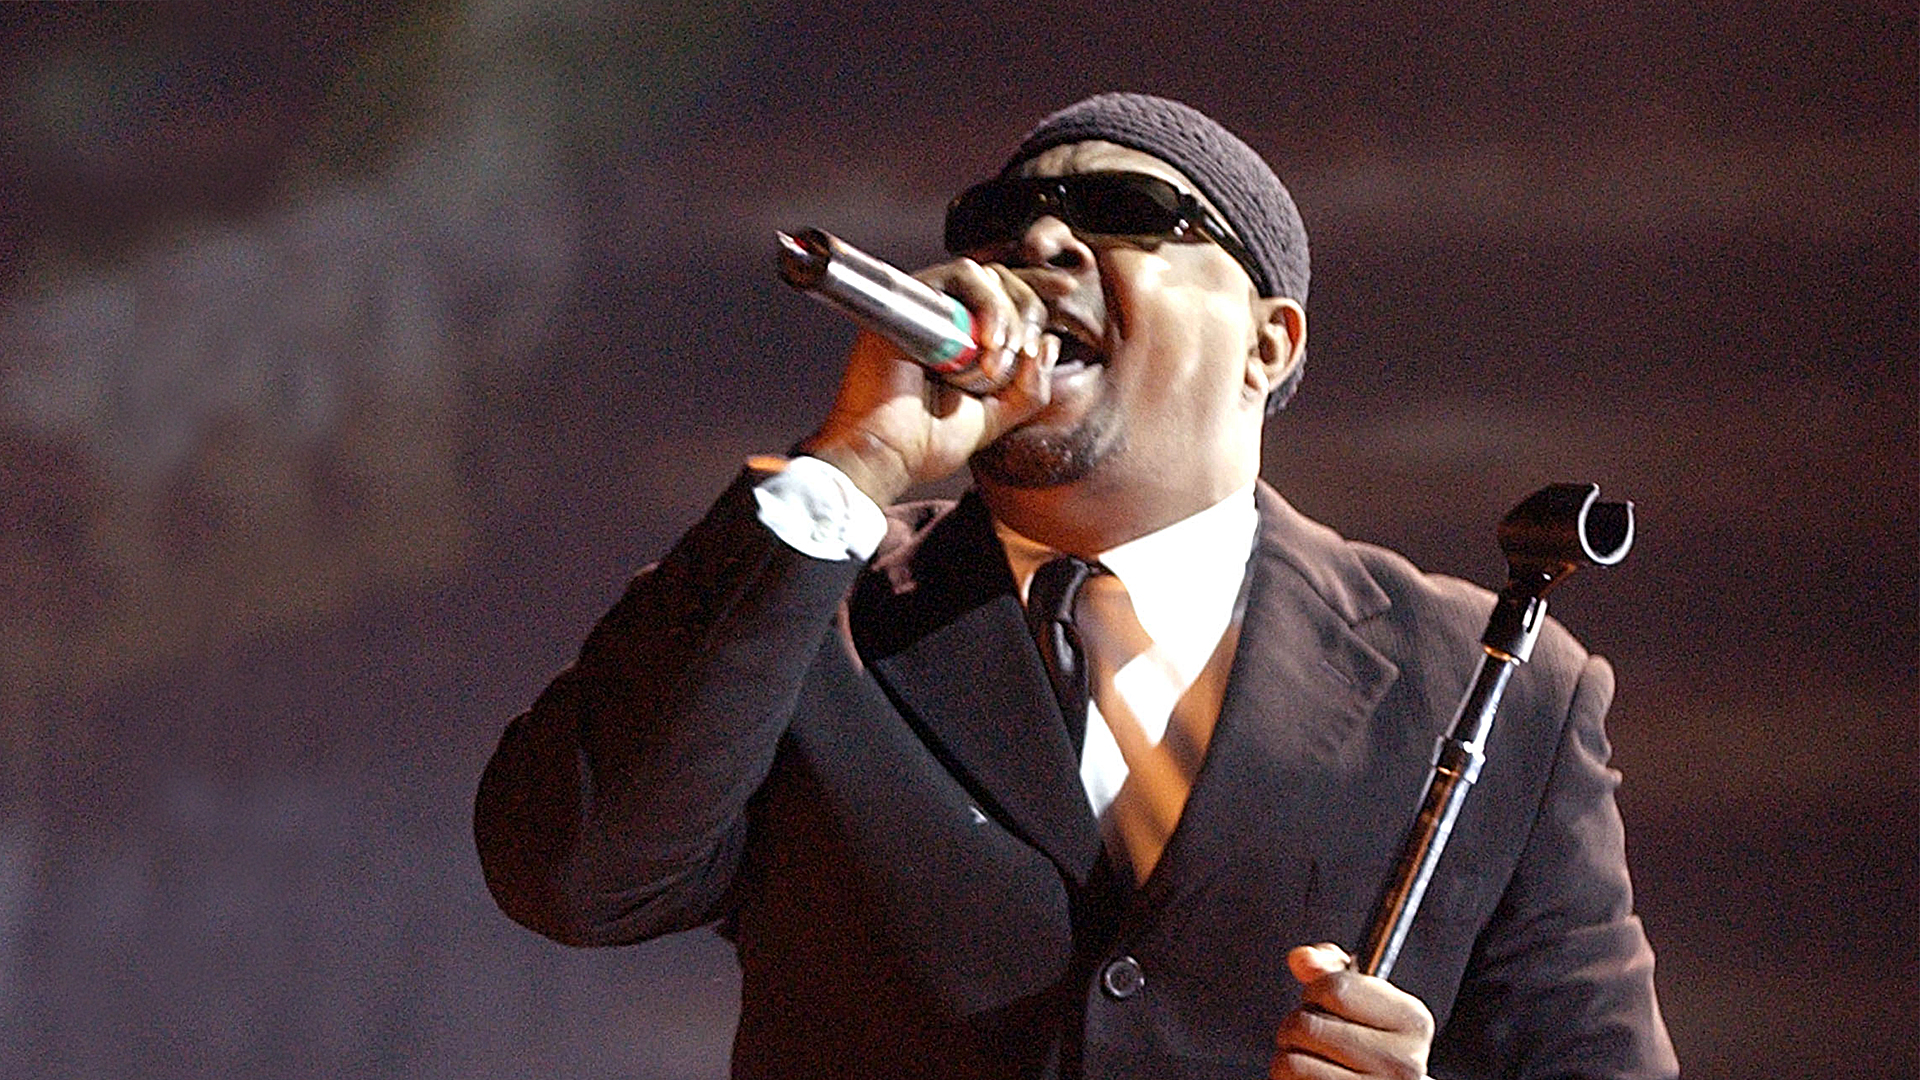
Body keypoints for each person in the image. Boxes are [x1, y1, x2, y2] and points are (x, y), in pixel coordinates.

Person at [473, 93, 1677, 1080]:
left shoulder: (1486, 681)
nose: (1037, 248)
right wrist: (857, 462)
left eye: (1125, 214)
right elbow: (570, 872)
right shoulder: (816, 608)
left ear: (1268, 343)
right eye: (999, 225)